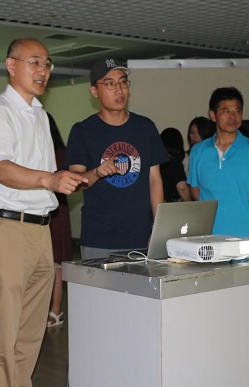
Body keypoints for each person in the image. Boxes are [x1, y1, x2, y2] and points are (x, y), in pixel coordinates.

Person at [0, 38, 86, 387]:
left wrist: (60, 180)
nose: (43, 71)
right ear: (11, 66)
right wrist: (50, 179)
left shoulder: (39, 115)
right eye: (34, 62)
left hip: (40, 230)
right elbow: (1, 169)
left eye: (47, 64)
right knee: (2, 336)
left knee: (29, 335)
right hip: (6, 228)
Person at [65, 58, 169, 260]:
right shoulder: (83, 131)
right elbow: (75, 181)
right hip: (99, 239)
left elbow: (154, 180)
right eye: (110, 84)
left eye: (122, 82)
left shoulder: (145, 127)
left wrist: (158, 230)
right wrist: (97, 172)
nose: (119, 90)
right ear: (94, 91)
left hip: (141, 237)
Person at [187, 86, 249, 243]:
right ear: (213, 115)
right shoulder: (198, 151)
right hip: (209, 236)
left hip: (244, 237)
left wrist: (246, 220)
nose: (233, 116)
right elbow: (195, 190)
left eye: (237, 111)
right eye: (226, 111)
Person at [46, 113, 72, 328]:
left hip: (57, 211)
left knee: (56, 263)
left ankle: (56, 309)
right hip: (42, 210)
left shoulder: (60, 153)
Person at [160, 127, 191, 202]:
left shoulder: (157, 161)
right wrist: (190, 202)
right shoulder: (174, 162)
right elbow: (182, 187)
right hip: (172, 204)